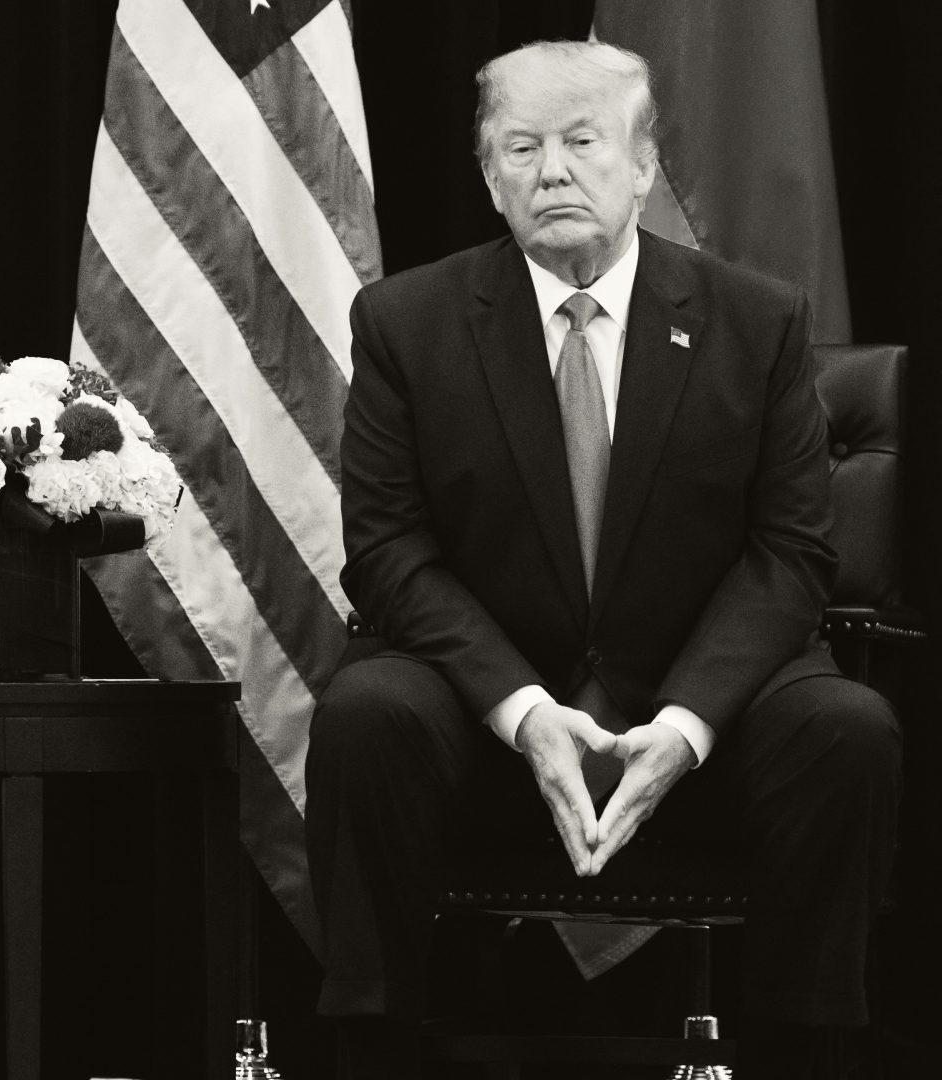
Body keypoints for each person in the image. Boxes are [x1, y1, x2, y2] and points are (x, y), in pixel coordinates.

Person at [304, 41, 900, 1079]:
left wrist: (681, 725)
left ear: (641, 164)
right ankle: (374, 1052)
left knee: (847, 730)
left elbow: (791, 553)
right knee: (366, 717)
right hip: (488, 713)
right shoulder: (406, 323)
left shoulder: (758, 321)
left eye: (583, 143)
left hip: (701, 706)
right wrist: (527, 713)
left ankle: (805, 1056)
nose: (553, 172)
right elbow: (390, 552)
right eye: (521, 148)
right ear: (489, 177)